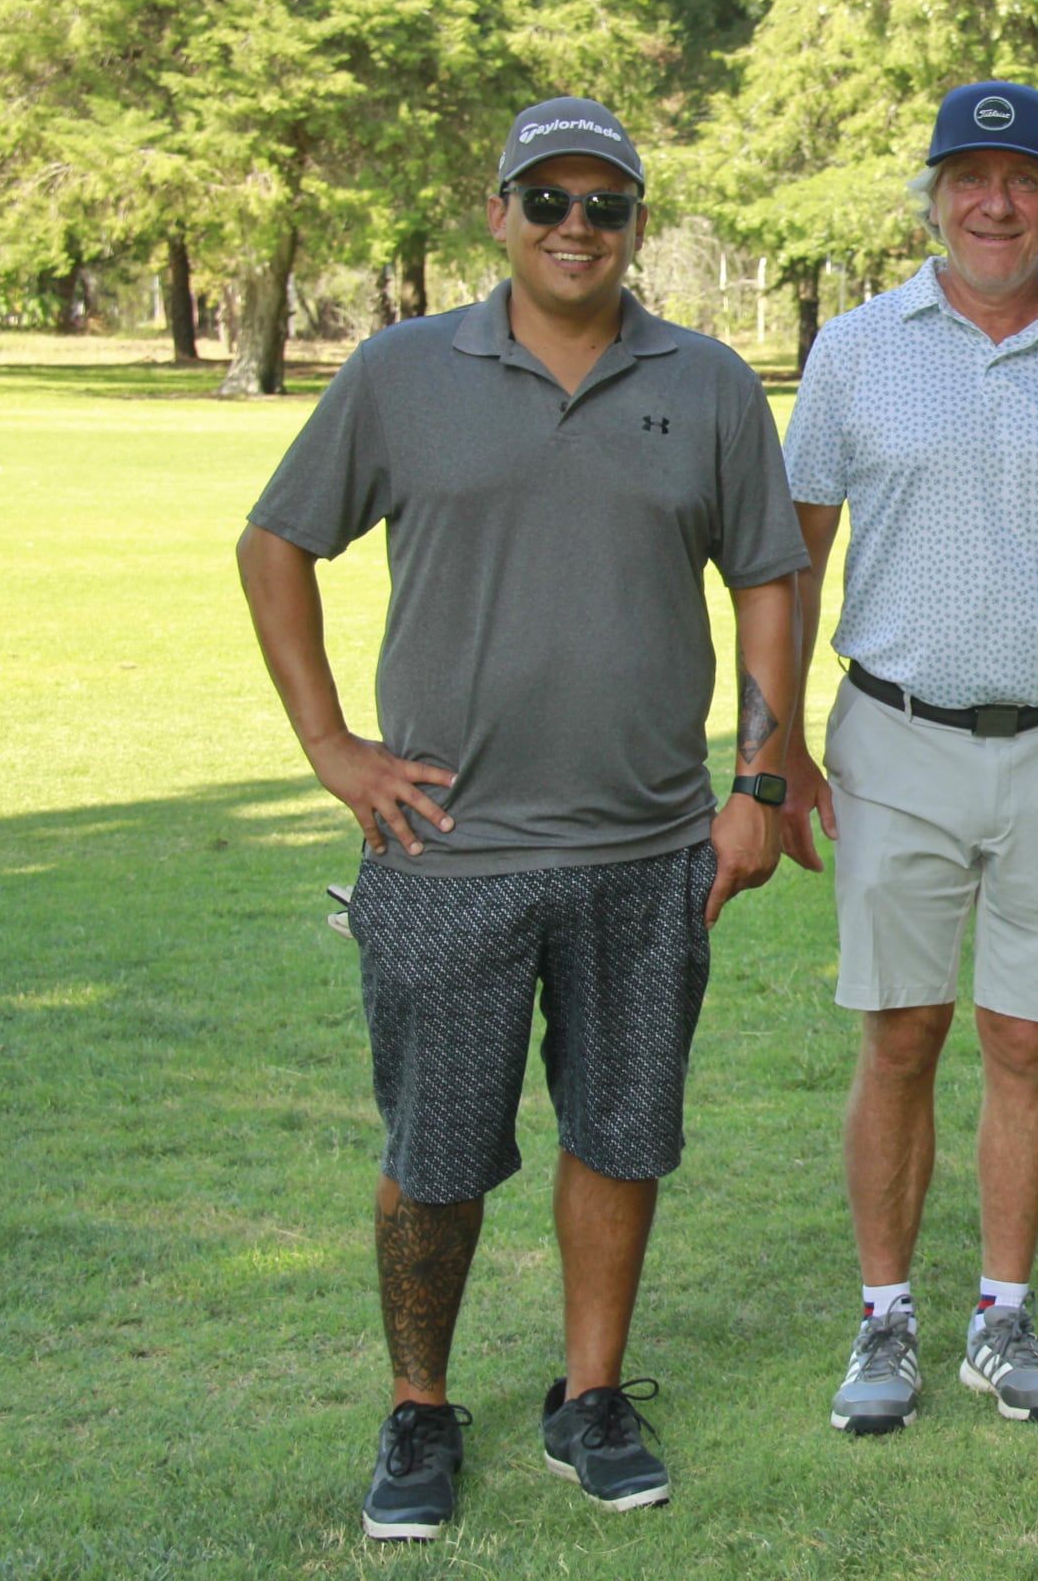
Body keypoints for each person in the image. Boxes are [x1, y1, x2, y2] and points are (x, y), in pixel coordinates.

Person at [236, 96, 805, 1537]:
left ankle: (591, 1394)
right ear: (496, 215)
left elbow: (767, 580)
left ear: (633, 222)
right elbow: (275, 542)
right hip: (446, 852)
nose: (573, 227)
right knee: (433, 1149)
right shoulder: (401, 370)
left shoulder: (712, 382)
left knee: (621, 1133)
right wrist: (329, 746)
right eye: (543, 200)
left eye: (603, 204)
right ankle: (420, 1412)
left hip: (647, 845)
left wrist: (759, 779)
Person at [778, 80, 1038, 1434]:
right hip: (894, 738)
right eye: (970, 177)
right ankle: (886, 1319)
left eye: (1022, 180)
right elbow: (791, 557)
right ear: (935, 194)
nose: (995, 203)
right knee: (900, 1033)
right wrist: (770, 743)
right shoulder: (854, 351)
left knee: (1026, 1042)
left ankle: (1002, 1319)